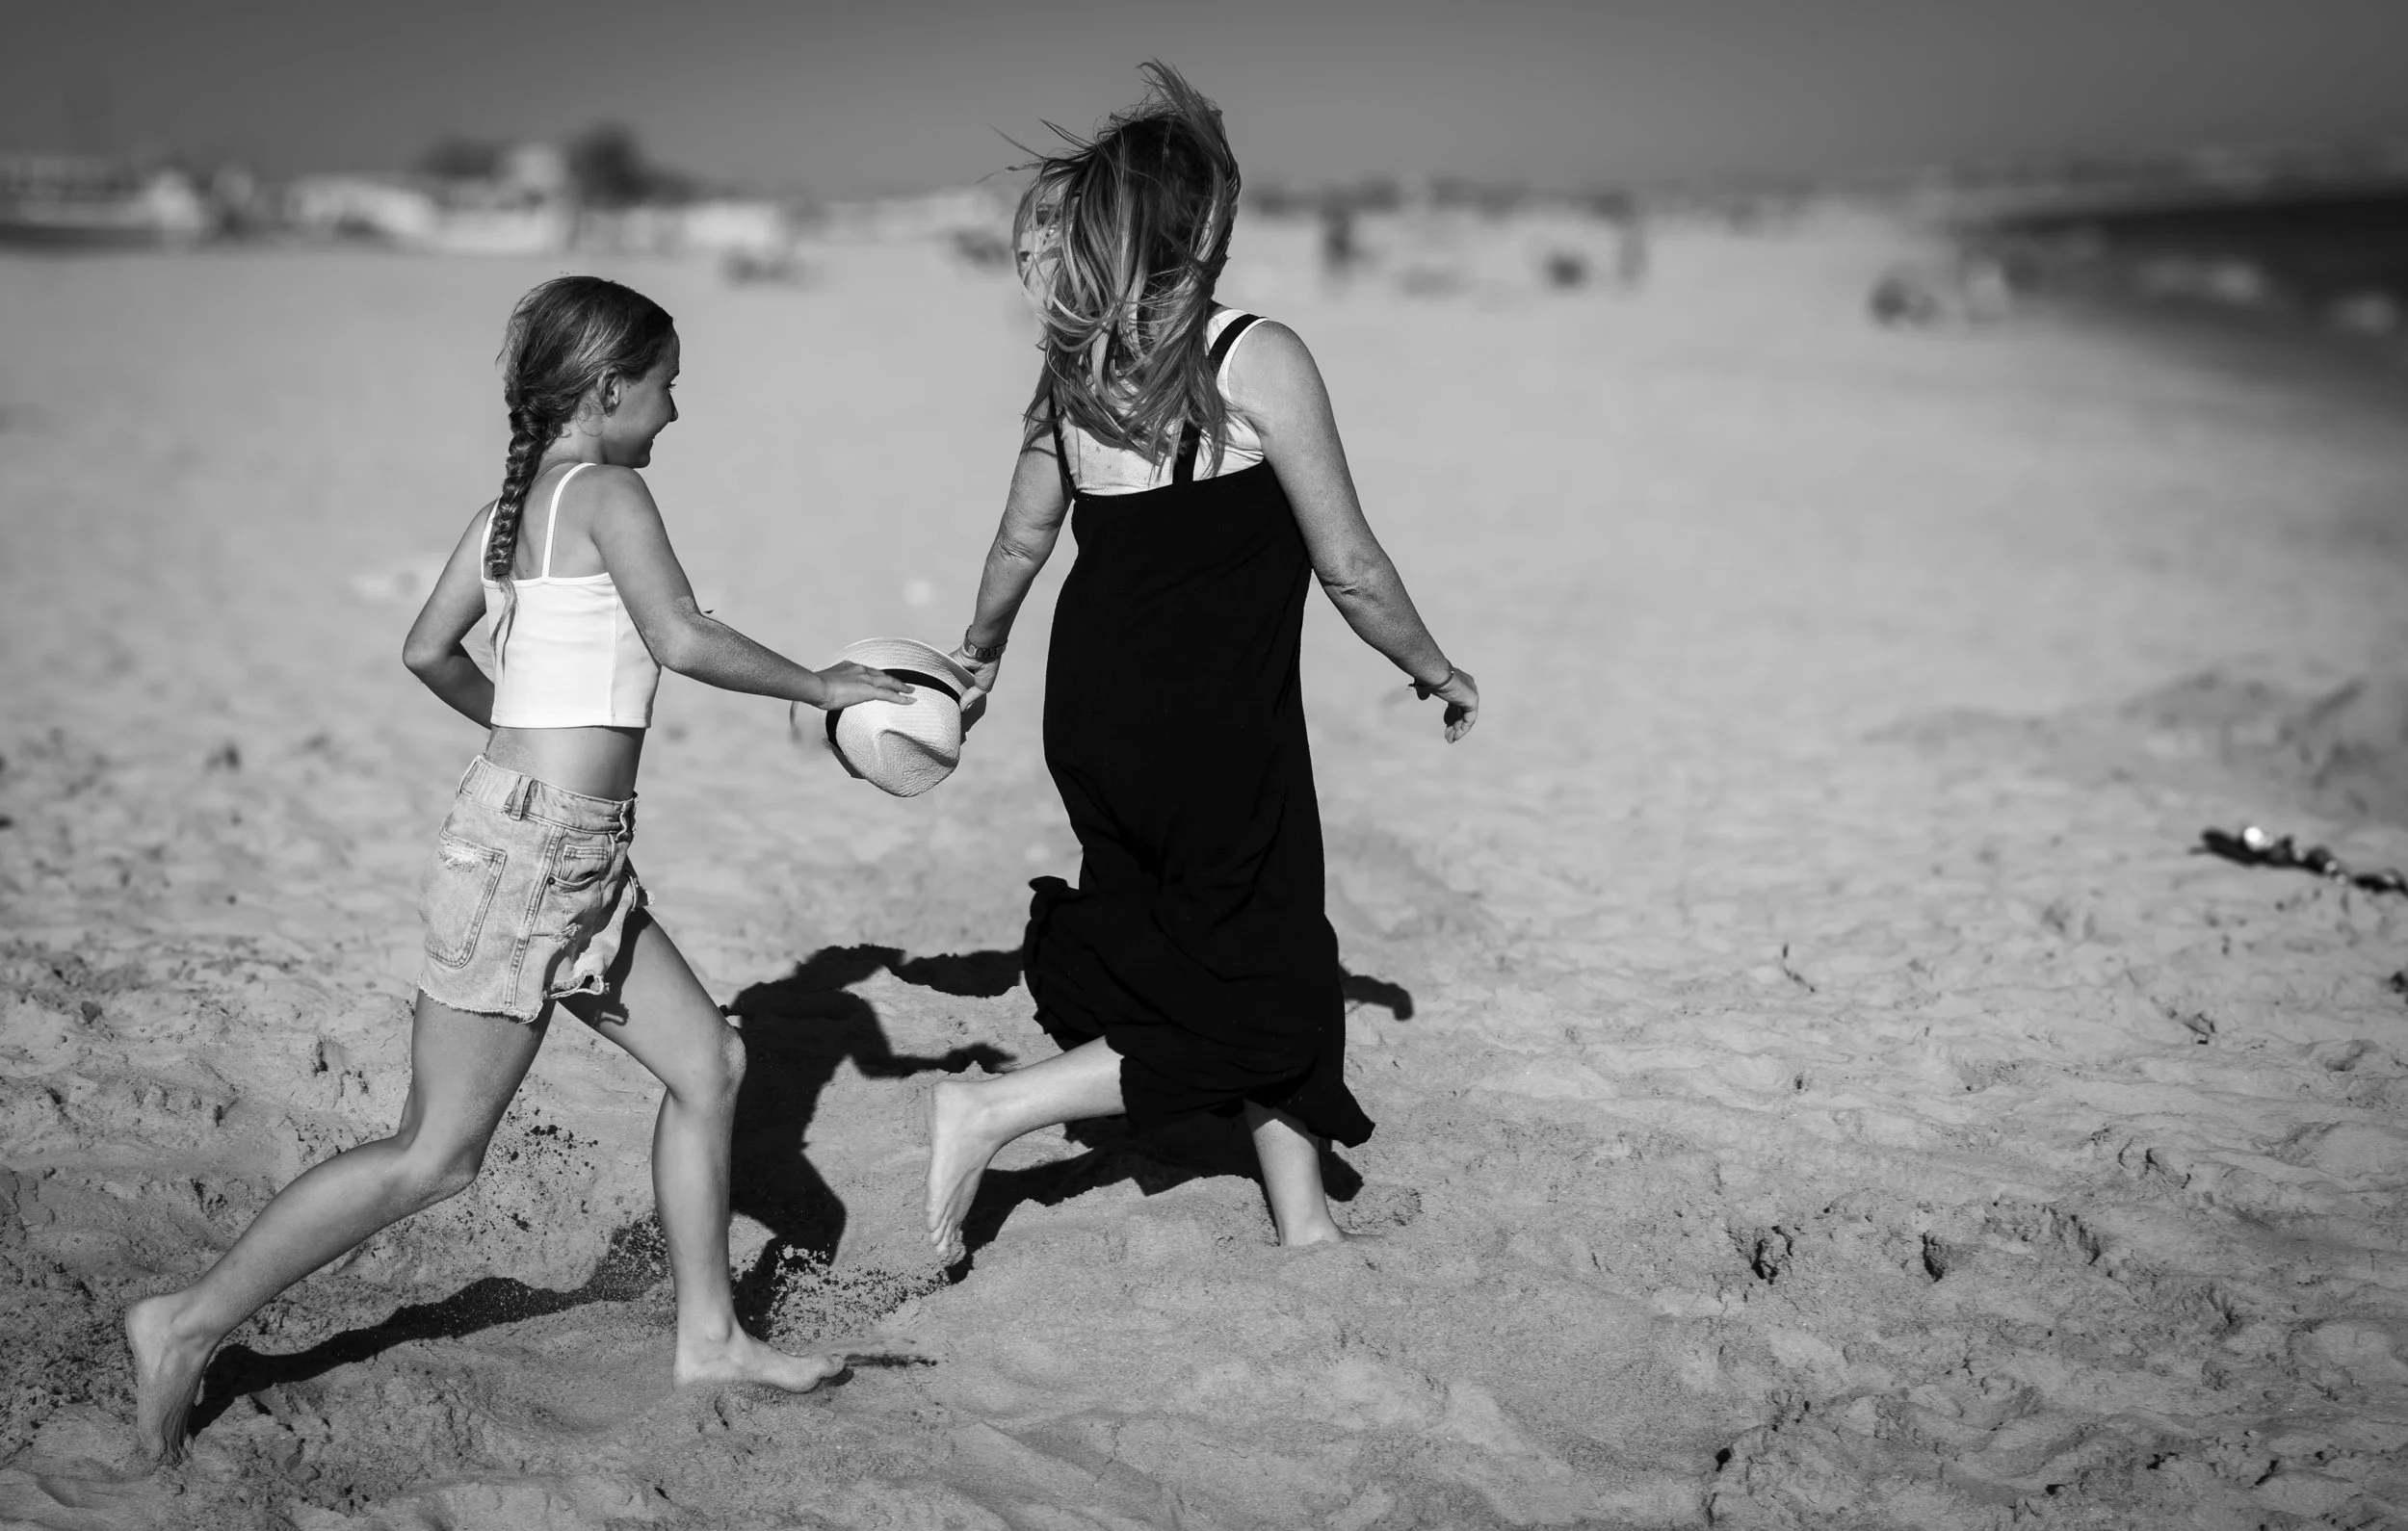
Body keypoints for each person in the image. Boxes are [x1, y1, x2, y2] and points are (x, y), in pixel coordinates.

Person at [126, 276, 913, 1465]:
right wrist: (821, 687)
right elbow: (682, 638)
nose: (676, 412)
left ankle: (710, 1337)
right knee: (434, 1155)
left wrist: (526, 746)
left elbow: (424, 650)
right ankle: (182, 1324)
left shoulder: (516, 505)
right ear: (607, 390)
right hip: (532, 856)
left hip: (561, 845)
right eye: (665, 387)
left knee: (712, 1060)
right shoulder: (608, 490)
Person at [927, 65, 1479, 1265]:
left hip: (1091, 711)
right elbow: (1351, 567)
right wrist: (1434, 669)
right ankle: (995, 1109)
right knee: (1265, 980)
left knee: (1253, 950)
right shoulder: (1254, 353)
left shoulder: (1072, 366)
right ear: (1206, 227)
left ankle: (1304, 1223)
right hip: (1215, 723)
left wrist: (975, 658)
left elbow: (1023, 538)